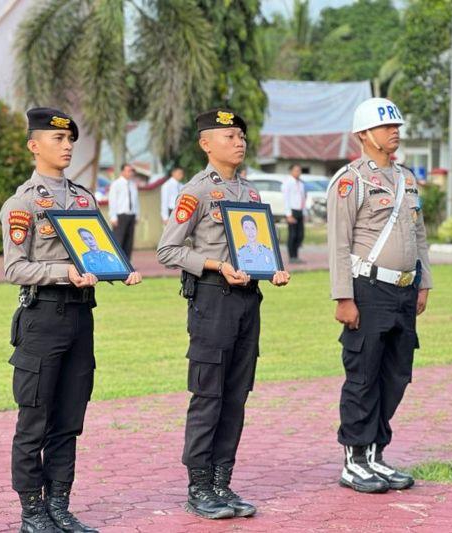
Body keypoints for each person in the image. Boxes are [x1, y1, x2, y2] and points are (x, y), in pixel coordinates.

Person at [1, 107, 142, 533]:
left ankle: (60, 504)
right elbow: (15, 269)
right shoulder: (22, 203)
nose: (66, 146)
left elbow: (98, 253)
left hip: (82, 317)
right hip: (42, 316)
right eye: (57, 140)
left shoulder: (84, 199)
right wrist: (65, 272)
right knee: (35, 419)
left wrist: (120, 270)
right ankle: (32, 510)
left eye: (69, 141)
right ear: (34, 145)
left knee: (69, 419)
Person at [157, 109, 290, 520]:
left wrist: (275, 266)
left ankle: (221, 483)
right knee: (208, 394)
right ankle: (198, 486)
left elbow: (260, 245)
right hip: (213, 300)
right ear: (205, 144)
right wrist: (215, 265)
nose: (239, 142)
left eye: (242, 136)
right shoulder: (195, 192)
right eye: (229, 136)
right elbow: (168, 250)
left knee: (236, 395)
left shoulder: (250, 194)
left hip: (248, 300)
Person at [327, 97, 432, 494]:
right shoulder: (351, 180)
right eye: (387, 128)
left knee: (397, 374)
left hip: (404, 289)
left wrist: (424, 282)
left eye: (397, 128)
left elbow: (419, 235)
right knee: (364, 373)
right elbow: (339, 244)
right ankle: (354, 458)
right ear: (364, 136)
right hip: (367, 289)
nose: (395, 133)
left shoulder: (407, 178)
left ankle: (376, 452)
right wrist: (343, 297)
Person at [108, 163, 139, 259]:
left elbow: (136, 201)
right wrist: (113, 216)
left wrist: (137, 215)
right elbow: (112, 200)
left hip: (131, 215)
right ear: (122, 172)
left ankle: (127, 263)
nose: (131, 173)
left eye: (131, 171)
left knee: (129, 241)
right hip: (120, 216)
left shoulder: (133, 185)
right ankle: (117, 262)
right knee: (118, 240)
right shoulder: (116, 184)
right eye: (128, 170)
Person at [282, 163, 306, 263]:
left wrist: (304, 212)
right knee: (293, 235)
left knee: (300, 235)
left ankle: (296, 255)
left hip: (299, 211)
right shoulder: (287, 183)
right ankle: (292, 256)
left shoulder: (301, 184)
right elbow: (286, 199)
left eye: (299, 170)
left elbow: (303, 198)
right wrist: (288, 214)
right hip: (292, 211)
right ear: (291, 171)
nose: (298, 172)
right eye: (296, 170)